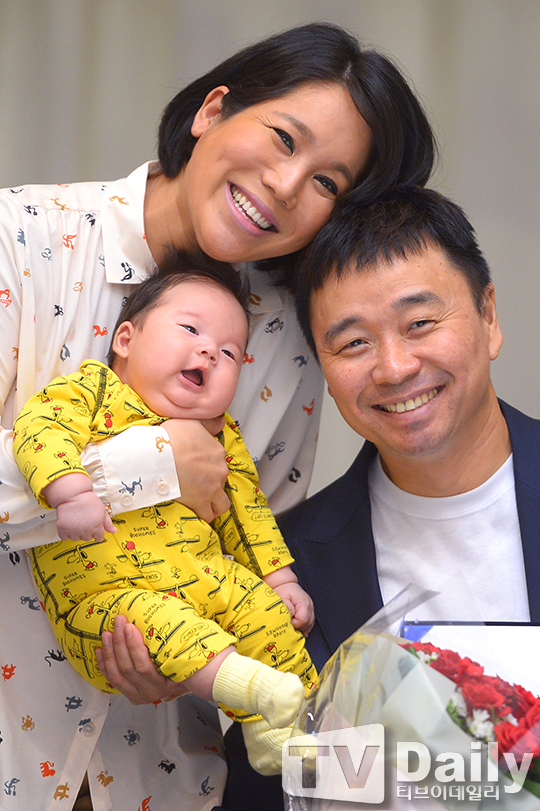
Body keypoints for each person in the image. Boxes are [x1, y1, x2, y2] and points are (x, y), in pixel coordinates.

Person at [0, 21, 435, 811]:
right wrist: (148, 466)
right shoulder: (23, 240)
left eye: (327, 182)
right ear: (212, 110)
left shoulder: (286, 344)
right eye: (282, 138)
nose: (285, 184)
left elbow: (250, 541)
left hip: (165, 780)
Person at [224, 186, 540, 809]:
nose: (394, 368)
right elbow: (266, 783)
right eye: (353, 343)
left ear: (488, 316)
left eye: (419, 324)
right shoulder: (288, 567)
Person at [13, 253, 317, 776]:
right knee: (160, 624)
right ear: (125, 340)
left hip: (204, 580)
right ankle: (253, 692)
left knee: (265, 612)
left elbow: (248, 515)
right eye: (191, 330)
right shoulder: (92, 392)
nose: (210, 351)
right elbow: (40, 430)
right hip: (104, 599)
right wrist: (72, 491)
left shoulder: (221, 435)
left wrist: (280, 579)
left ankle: (284, 731)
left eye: (229, 352)